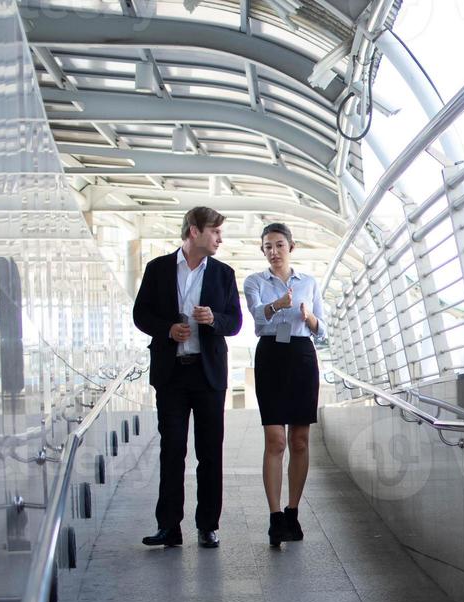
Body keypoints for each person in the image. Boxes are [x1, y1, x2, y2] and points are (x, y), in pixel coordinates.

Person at [133, 206, 242, 548]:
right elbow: (140, 314)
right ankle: (169, 527)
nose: (219, 239)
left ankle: (208, 525)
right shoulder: (158, 269)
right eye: (215, 232)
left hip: (209, 375)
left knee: (209, 453)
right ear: (194, 231)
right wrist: (167, 329)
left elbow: (235, 322)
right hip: (171, 375)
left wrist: (213, 319)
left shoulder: (224, 273)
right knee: (172, 451)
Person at [242, 222, 325, 547]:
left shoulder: (309, 282)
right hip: (271, 356)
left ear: (292, 246)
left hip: (302, 355)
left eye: (279, 245)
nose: (273, 252)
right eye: (267, 247)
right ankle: (275, 516)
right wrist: (278, 305)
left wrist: (310, 318)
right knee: (275, 439)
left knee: (300, 440)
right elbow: (257, 319)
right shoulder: (254, 282)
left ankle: (293, 511)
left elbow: (323, 330)